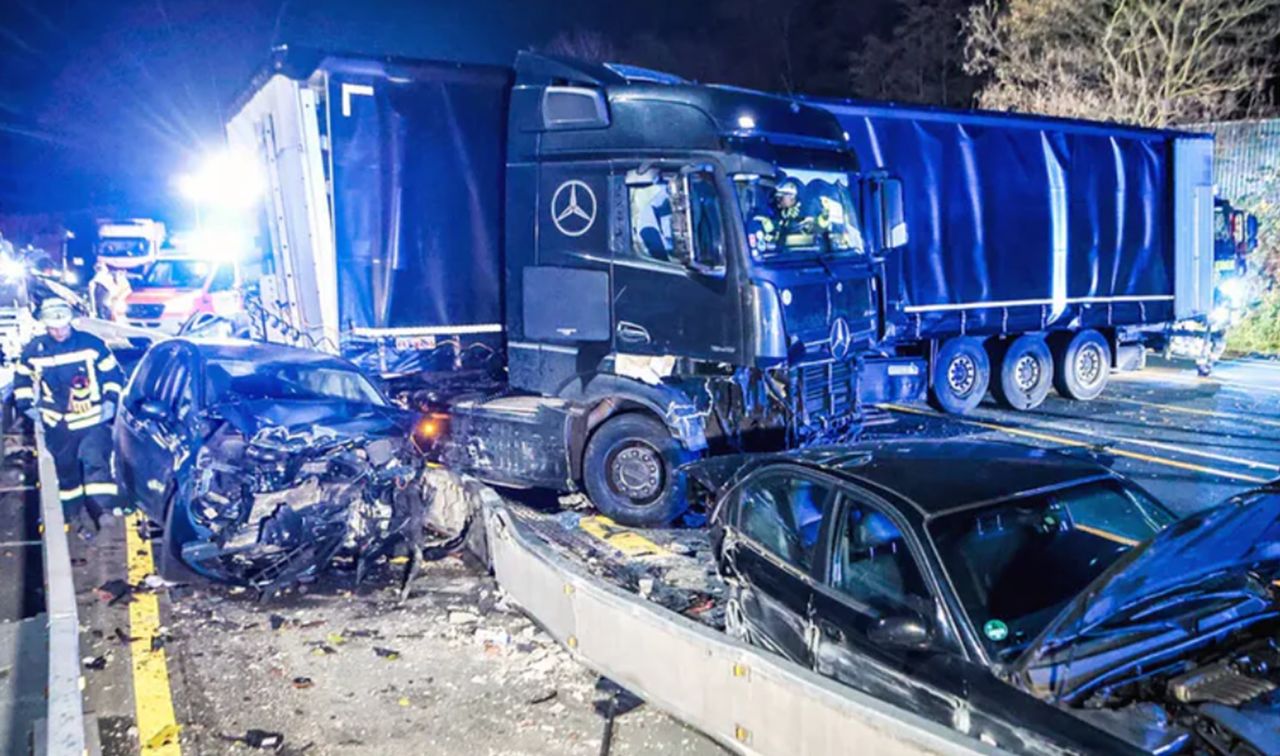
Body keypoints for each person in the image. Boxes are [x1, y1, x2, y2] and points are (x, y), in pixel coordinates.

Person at [14, 298, 126, 539]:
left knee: (97, 465)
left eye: (62, 326)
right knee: (66, 472)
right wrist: (27, 406)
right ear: (45, 325)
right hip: (58, 425)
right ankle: (73, 515)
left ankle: (103, 511)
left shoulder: (91, 344)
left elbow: (113, 375)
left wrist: (110, 401)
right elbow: (22, 380)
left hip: (92, 420)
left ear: (70, 321)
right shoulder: (34, 350)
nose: (59, 332)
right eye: (53, 328)